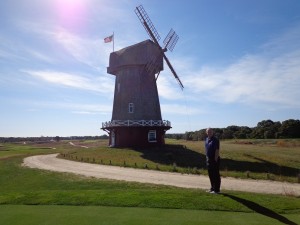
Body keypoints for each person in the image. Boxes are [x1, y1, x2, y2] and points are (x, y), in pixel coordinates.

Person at [205, 128, 221, 194]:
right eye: (208, 132)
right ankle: (212, 188)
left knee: (216, 175)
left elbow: (217, 150)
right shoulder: (206, 139)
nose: (209, 133)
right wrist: (206, 157)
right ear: (206, 132)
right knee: (210, 175)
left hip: (214, 160)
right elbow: (206, 149)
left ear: (213, 132)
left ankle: (216, 190)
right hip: (208, 159)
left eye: (211, 132)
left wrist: (215, 159)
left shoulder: (215, 140)